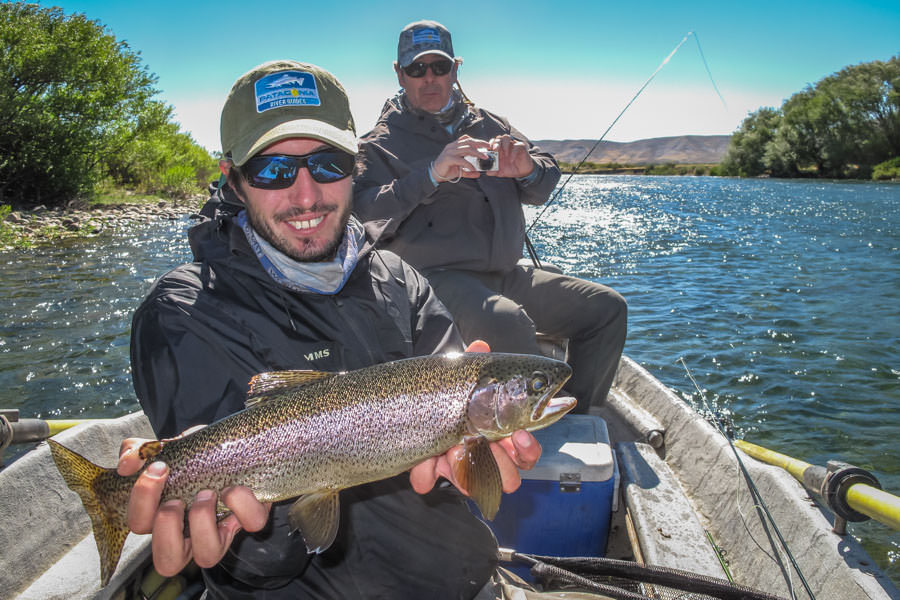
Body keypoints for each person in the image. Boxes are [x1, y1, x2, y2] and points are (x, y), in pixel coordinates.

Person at [117, 59, 543, 599]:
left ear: (355, 166)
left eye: (327, 165)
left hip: (455, 579)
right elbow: (256, 566)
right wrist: (246, 539)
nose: (305, 196)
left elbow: (456, 448)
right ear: (233, 178)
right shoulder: (183, 312)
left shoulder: (401, 279)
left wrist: (473, 463)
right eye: (272, 170)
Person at [353, 20, 627, 413]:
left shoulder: (491, 124)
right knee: (506, 321)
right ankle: (519, 444)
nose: (429, 78)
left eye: (439, 67)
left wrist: (526, 168)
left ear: (455, 70)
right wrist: (430, 175)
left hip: (506, 273)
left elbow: (546, 176)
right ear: (399, 74)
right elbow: (363, 215)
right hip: (432, 284)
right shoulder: (378, 143)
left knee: (606, 308)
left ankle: (575, 417)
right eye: (417, 69)